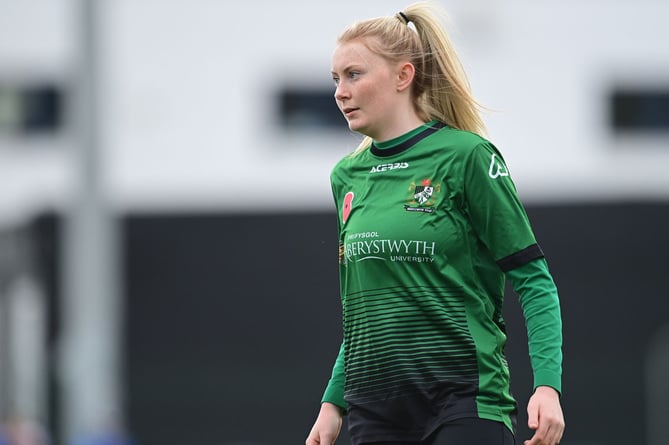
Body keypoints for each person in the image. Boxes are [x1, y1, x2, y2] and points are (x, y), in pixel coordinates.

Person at [305, 2, 565, 445]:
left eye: (354, 75)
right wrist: (332, 406)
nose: (339, 92)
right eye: (335, 79)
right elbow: (364, 312)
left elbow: (534, 281)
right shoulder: (345, 177)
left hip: (464, 401)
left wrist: (547, 385)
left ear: (403, 76)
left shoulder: (467, 157)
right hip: (376, 410)